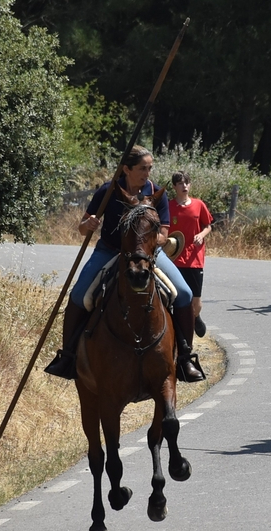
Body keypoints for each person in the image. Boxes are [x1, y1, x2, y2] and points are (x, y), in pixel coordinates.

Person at [44, 145, 203, 382]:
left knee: (184, 293)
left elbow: (164, 233)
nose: (147, 173)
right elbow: (82, 226)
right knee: (78, 296)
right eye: (142, 168)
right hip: (110, 251)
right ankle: (67, 357)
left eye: (149, 168)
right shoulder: (108, 192)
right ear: (126, 169)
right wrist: (88, 226)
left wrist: (148, 240)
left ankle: (185, 359)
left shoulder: (157, 193)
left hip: (148, 254)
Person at [168, 171, 215, 338]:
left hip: (194, 258)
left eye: (187, 182)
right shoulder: (168, 206)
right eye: (180, 183)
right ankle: (178, 330)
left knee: (196, 301)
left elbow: (208, 225)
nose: (184, 186)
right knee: (174, 297)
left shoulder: (199, 204)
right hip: (173, 259)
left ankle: (196, 317)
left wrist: (201, 235)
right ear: (174, 186)